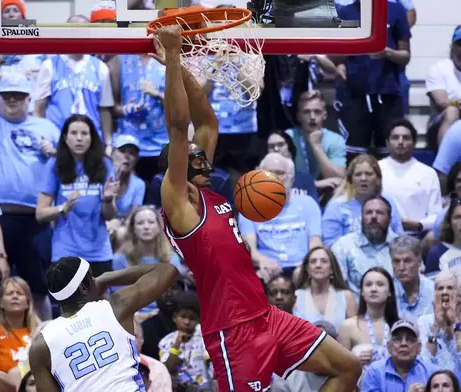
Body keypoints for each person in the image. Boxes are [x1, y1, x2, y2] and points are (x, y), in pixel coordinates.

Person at [153, 26, 361, 392]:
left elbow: (206, 122)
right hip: (232, 330)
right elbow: (178, 128)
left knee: (348, 367)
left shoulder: (211, 196)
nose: (205, 161)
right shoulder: (178, 202)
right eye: (193, 158)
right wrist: (172, 56)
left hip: (268, 316)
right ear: (176, 167)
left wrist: (182, 69)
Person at [28, 256, 178, 391]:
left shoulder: (40, 345)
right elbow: (167, 270)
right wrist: (107, 277)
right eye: (92, 277)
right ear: (83, 287)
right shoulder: (116, 307)